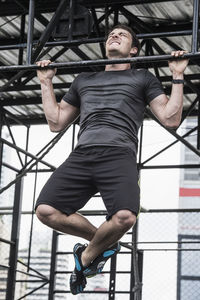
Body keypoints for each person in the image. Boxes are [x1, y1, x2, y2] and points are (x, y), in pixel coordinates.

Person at [35, 24, 189, 295]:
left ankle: (85, 258)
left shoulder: (143, 77)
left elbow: (171, 118)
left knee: (125, 217)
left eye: (122, 35)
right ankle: (103, 244)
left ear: (133, 50)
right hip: (83, 153)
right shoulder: (84, 80)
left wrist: (177, 75)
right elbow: (56, 122)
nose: (114, 36)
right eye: (110, 35)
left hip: (119, 154)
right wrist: (45, 81)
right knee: (46, 210)